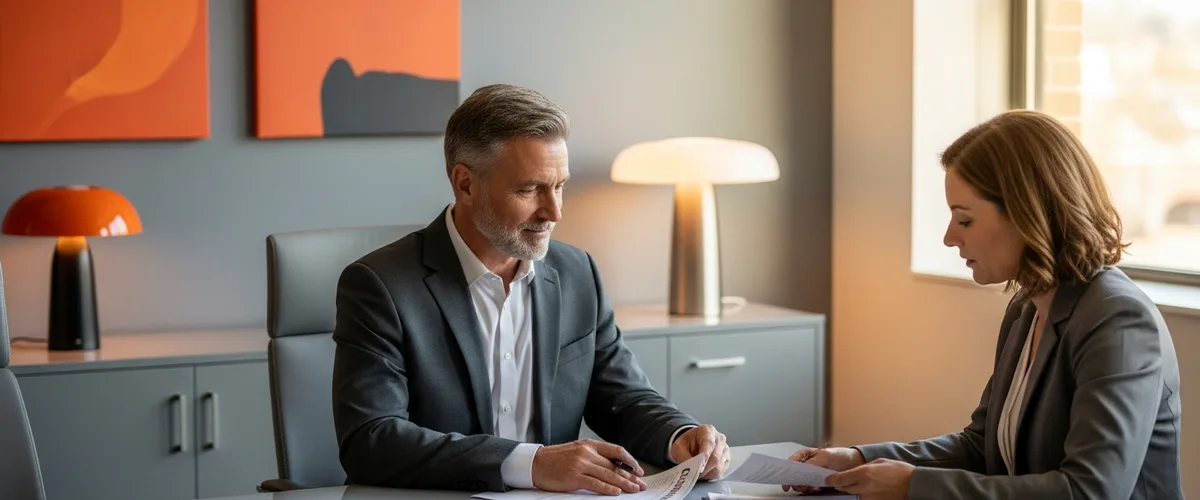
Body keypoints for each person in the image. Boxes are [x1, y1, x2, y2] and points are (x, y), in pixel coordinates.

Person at [331, 83, 731, 495]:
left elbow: (622, 397)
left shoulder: (577, 272)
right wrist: (531, 463)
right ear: (465, 184)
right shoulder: (380, 285)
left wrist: (678, 435)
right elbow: (371, 440)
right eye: (529, 189)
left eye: (560, 186)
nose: (553, 211)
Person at [787, 110, 1182, 500]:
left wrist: (913, 487)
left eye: (965, 220)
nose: (948, 238)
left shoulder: (1118, 321)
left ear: (1027, 215)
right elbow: (981, 449)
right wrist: (857, 459)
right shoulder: (1027, 308)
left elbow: (1089, 491)